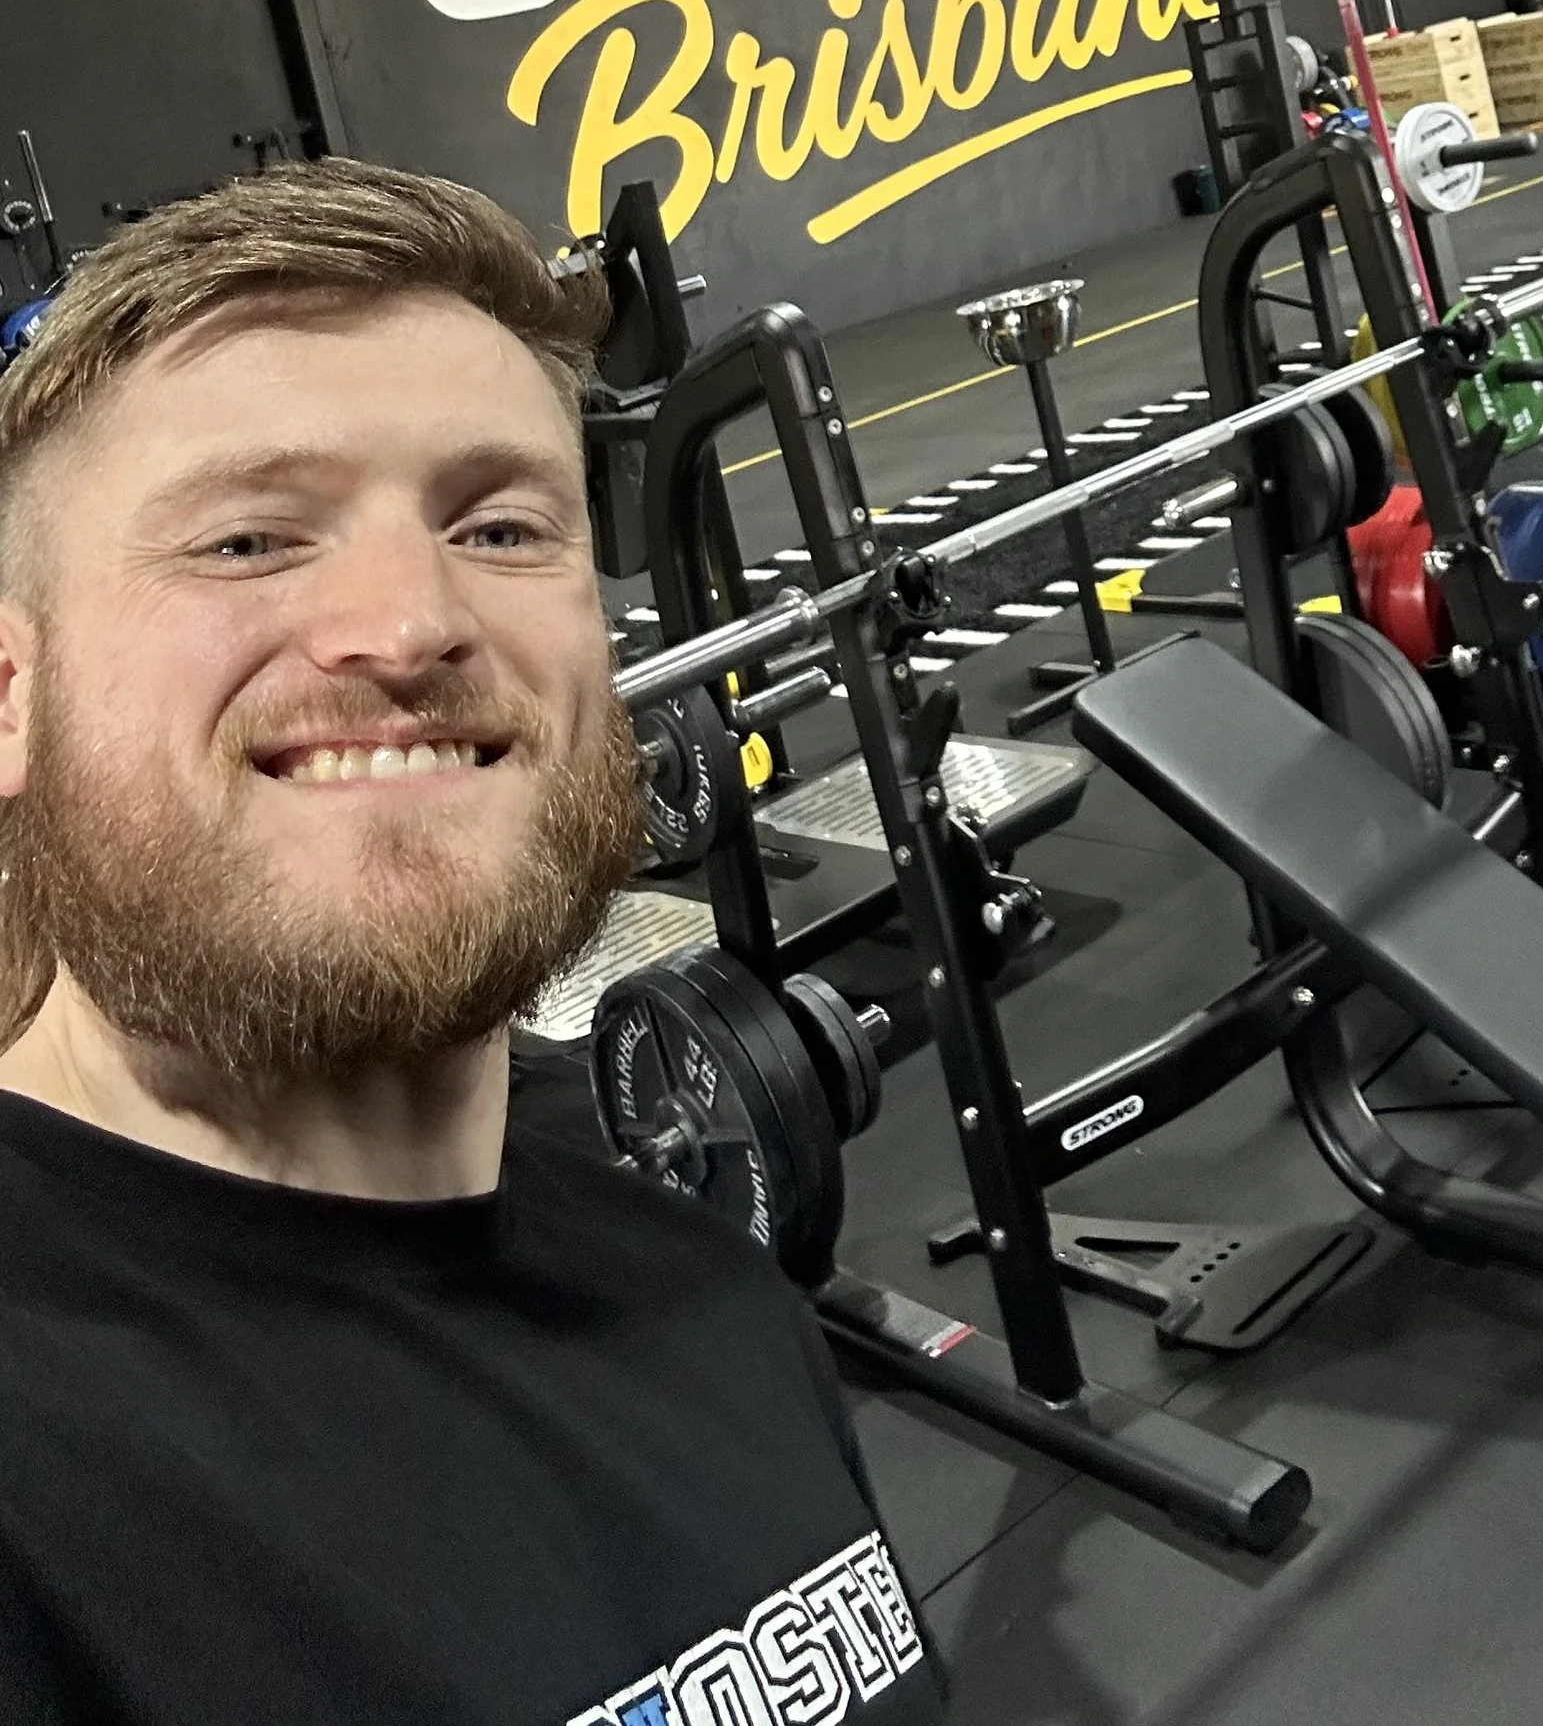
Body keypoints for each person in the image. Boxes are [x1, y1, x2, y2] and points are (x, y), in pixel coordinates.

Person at [0, 159, 942, 1726]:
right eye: (248, 541)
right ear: (10, 696)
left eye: (500, 527)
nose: (410, 623)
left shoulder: (717, 1298)